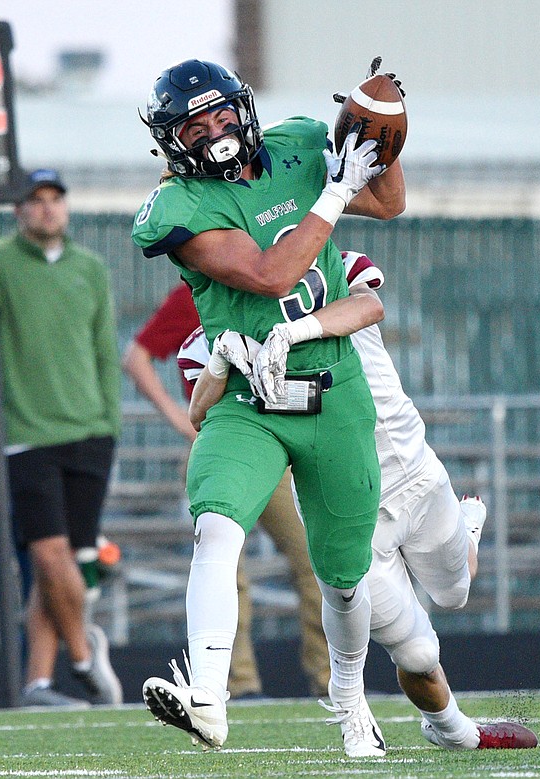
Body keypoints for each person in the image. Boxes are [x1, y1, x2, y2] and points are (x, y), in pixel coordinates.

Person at [131, 58, 403, 755]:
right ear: (172, 141)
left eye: (223, 114)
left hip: (332, 387)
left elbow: (387, 202)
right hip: (247, 394)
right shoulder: (179, 206)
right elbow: (270, 272)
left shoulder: (300, 143)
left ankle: (347, 695)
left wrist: (383, 137)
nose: (215, 131)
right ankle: (209, 698)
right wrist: (336, 193)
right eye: (196, 124)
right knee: (216, 525)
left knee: (342, 580)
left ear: (245, 108)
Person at [186, 250, 538, 750]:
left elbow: (369, 302)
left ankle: (466, 530)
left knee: (456, 591)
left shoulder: (316, 263)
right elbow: (203, 415)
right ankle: (455, 733)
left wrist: (295, 330)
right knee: (416, 654)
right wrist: (224, 357)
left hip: (412, 474)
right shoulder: (208, 340)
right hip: (345, 506)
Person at [0, 168, 124, 708]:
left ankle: (40, 683)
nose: (47, 208)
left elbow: (103, 352)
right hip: (25, 435)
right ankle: (85, 655)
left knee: (70, 561)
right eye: (35, 200)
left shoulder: (90, 268)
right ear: (18, 210)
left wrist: (110, 427)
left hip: (91, 432)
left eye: (55, 199)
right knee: (50, 555)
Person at [122, 282, 330, 698]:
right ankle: (238, 684)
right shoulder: (193, 295)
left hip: (274, 441)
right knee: (223, 566)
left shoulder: (273, 285)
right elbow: (136, 357)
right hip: (220, 442)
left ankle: (331, 680)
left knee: (316, 559)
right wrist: (184, 420)